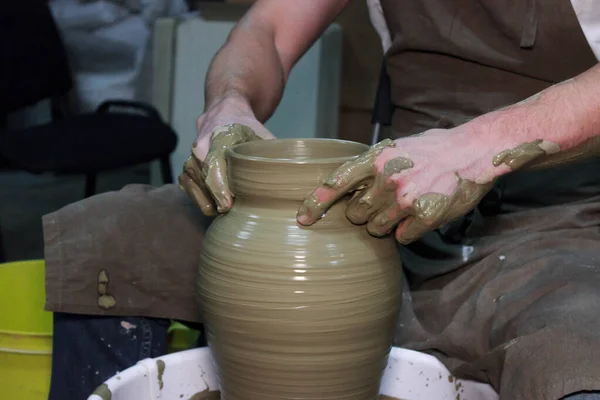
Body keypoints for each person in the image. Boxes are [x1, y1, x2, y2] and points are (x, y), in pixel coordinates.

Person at [45, 1, 600, 399]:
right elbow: (267, 28)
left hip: (558, 221)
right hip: (381, 199)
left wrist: (478, 148)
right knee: (110, 240)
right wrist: (229, 104)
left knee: (577, 354)